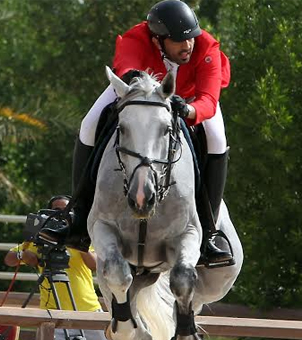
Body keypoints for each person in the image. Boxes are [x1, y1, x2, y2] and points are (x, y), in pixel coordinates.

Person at [39, 0, 234, 265]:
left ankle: (210, 233)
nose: (187, 46)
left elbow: (209, 100)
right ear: (157, 41)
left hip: (189, 99)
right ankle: (78, 218)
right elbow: (127, 67)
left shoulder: (207, 48)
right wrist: (138, 87)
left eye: (190, 38)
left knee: (217, 139)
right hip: (139, 91)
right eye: (178, 41)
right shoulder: (137, 38)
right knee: (89, 123)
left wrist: (187, 110)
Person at [4, 195, 116, 340]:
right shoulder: (40, 238)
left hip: (87, 310)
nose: (61, 216)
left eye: (66, 212)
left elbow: (95, 265)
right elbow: (9, 258)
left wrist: (76, 242)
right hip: (52, 313)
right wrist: (23, 255)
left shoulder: (81, 238)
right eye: (56, 211)